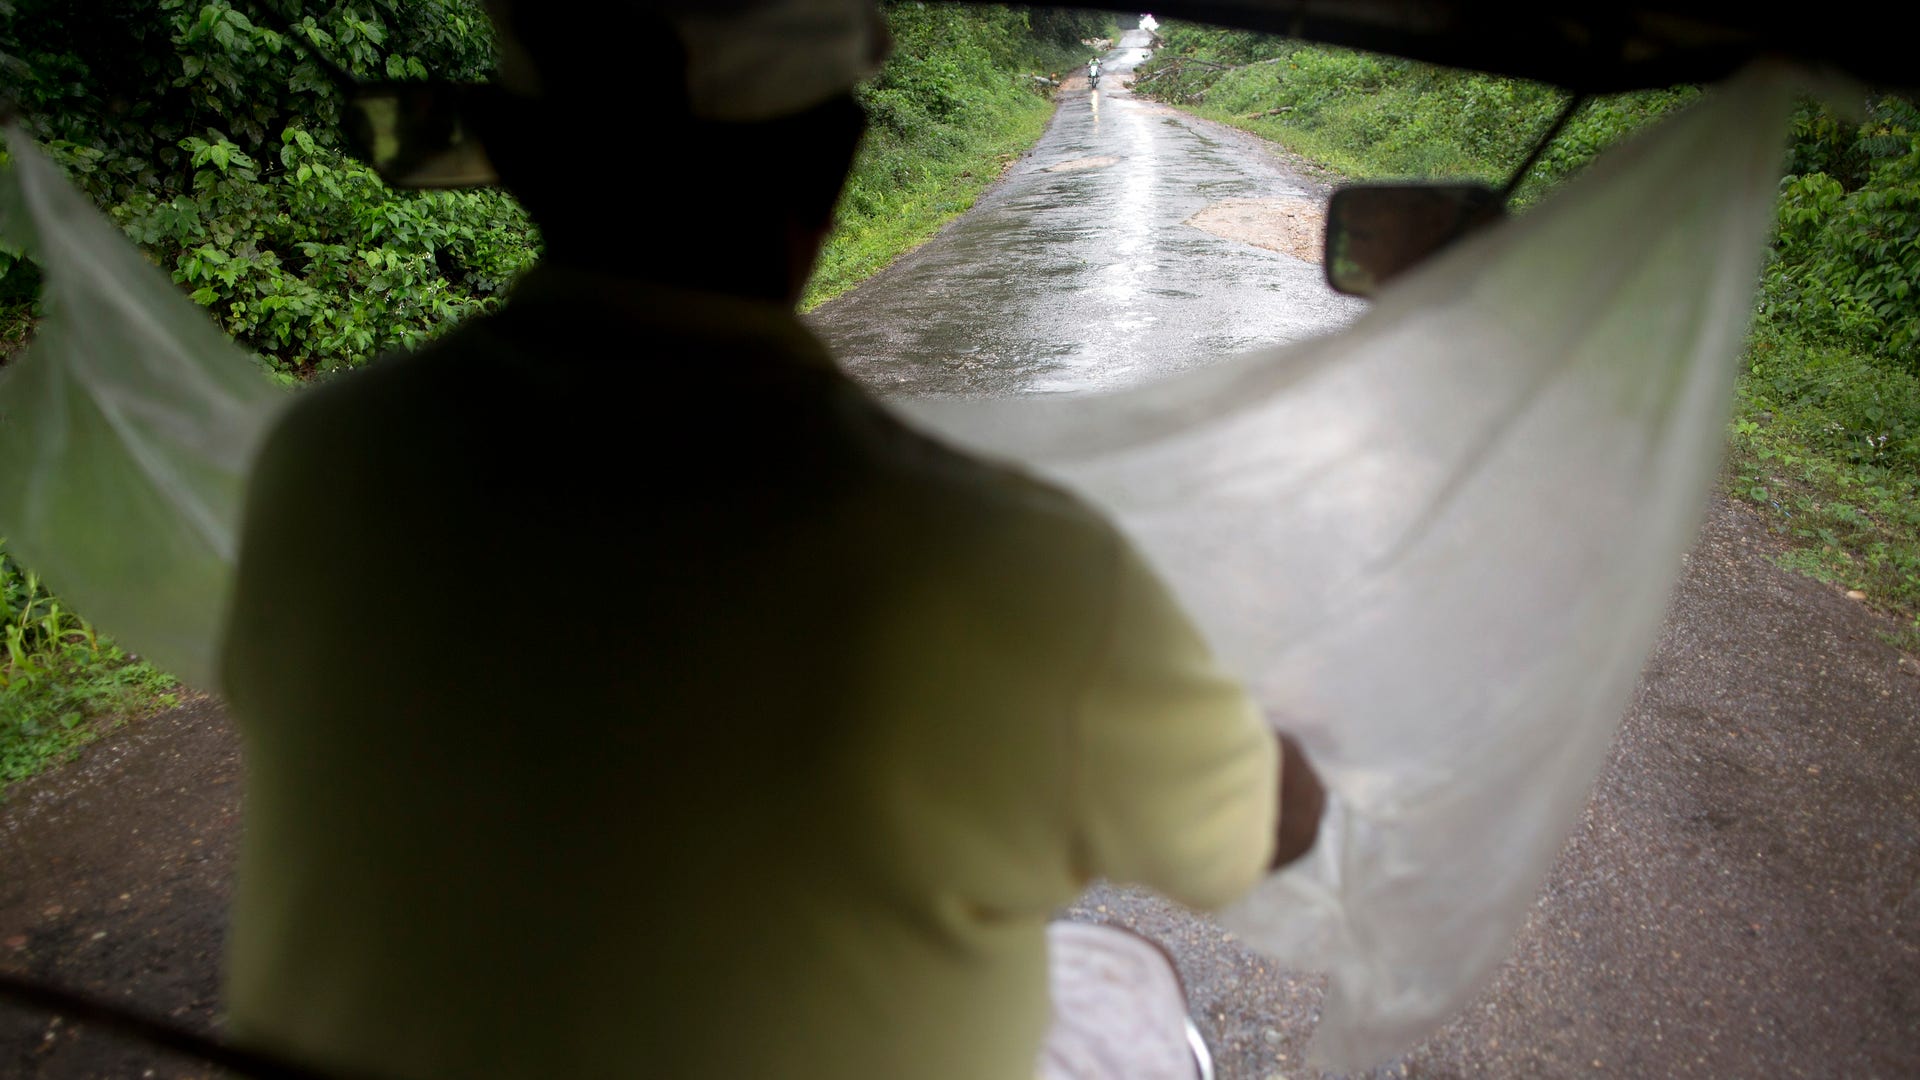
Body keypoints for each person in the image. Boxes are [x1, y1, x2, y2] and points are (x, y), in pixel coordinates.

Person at [217, 2, 1324, 1078]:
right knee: (1117, 991)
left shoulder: (327, 454)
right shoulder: (1008, 562)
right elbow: (1258, 832)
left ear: (523, 159)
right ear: (833, 166)